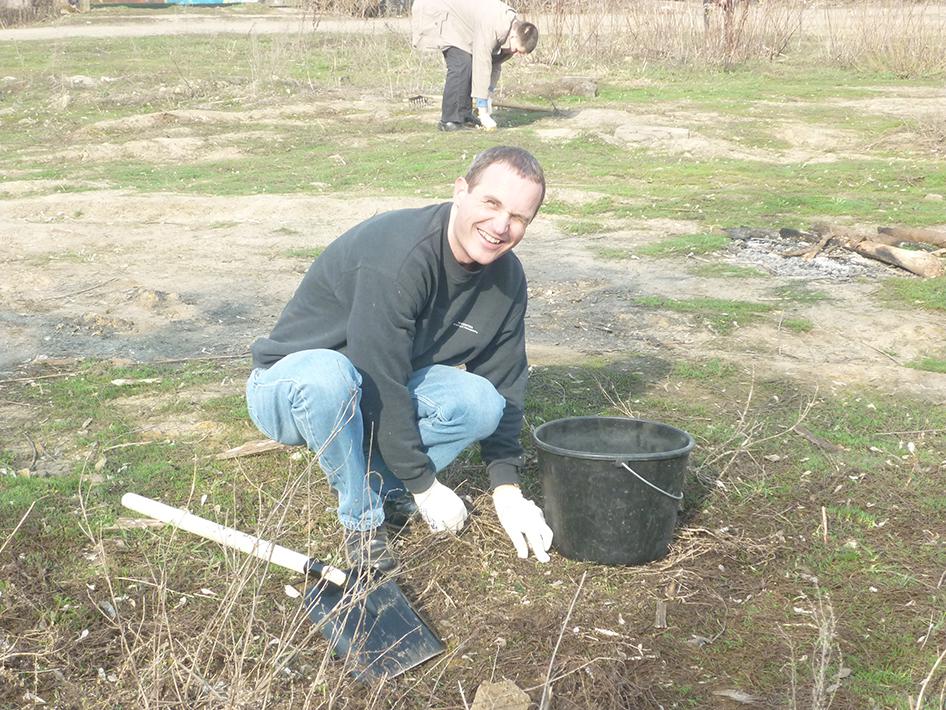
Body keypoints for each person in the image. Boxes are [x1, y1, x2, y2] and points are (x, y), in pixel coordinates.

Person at [246, 146, 553, 572]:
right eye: (491, 203)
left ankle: (385, 487)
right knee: (329, 377)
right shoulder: (400, 254)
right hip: (292, 386)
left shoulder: (506, 280)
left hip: (373, 389)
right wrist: (425, 485)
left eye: (519, 217)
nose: (501, 226)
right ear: (460, 191)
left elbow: (505, 382)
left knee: (481, 401)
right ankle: (363, 523)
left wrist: (507, 488)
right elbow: (378, 374)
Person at [411, 0, 539, 132]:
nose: (516, 54)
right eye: (517, 50)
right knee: (462, 64)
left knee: (467, 63)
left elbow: (494, 64)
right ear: (513, 36)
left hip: (460, 21)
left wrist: (488, 94)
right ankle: (449, 121)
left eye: (520, 53)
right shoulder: (494, 24)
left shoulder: (513, 33)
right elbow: (482, 63)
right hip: (440, 10)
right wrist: (483, 110)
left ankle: (464, 115)